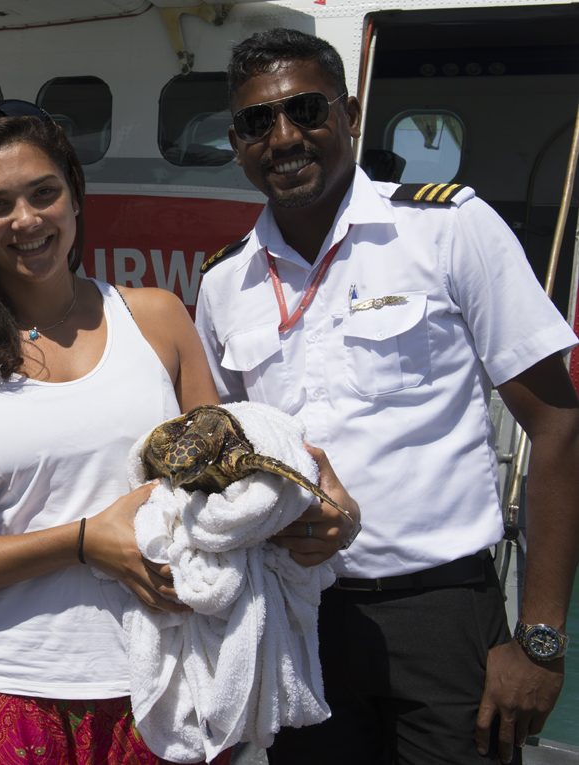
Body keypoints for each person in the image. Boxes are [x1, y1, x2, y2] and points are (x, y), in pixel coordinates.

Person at [0, 100, 356, 764]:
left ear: (74, 198)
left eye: (44, 193)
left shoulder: (157, 319)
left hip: (169, 682)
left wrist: (316, 500)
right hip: (13, 686)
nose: (26, 220)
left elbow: (234, 475)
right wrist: (81, 543)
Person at [196, 27, 579, 765]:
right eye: (256, 123)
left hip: (440, 613)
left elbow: (558, 423)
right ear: (238, 143)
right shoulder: (224, 284)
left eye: (306, 110)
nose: (283, 137)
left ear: (350, 112)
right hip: (301, 614)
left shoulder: (446, 228)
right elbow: (230, 463)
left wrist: (540, 640)